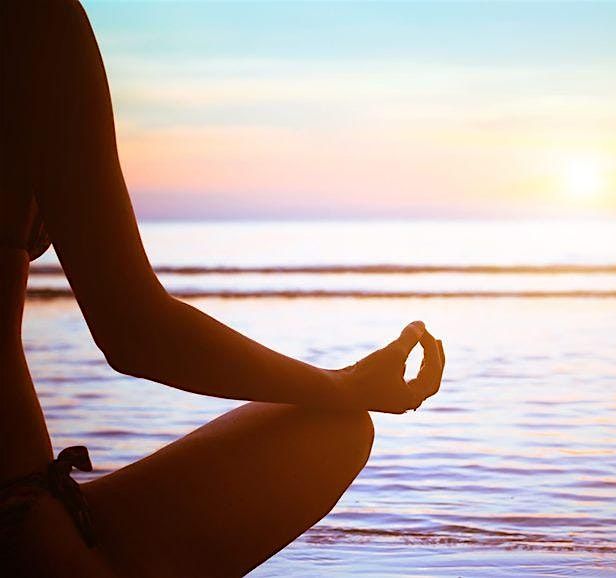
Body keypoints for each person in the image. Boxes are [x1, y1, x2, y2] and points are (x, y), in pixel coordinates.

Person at [0, 1, 446, 575]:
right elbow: (133, 330)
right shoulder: (33, 22)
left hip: (28, 509)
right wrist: (344, 385)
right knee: (334, 429)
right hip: (16, 524)